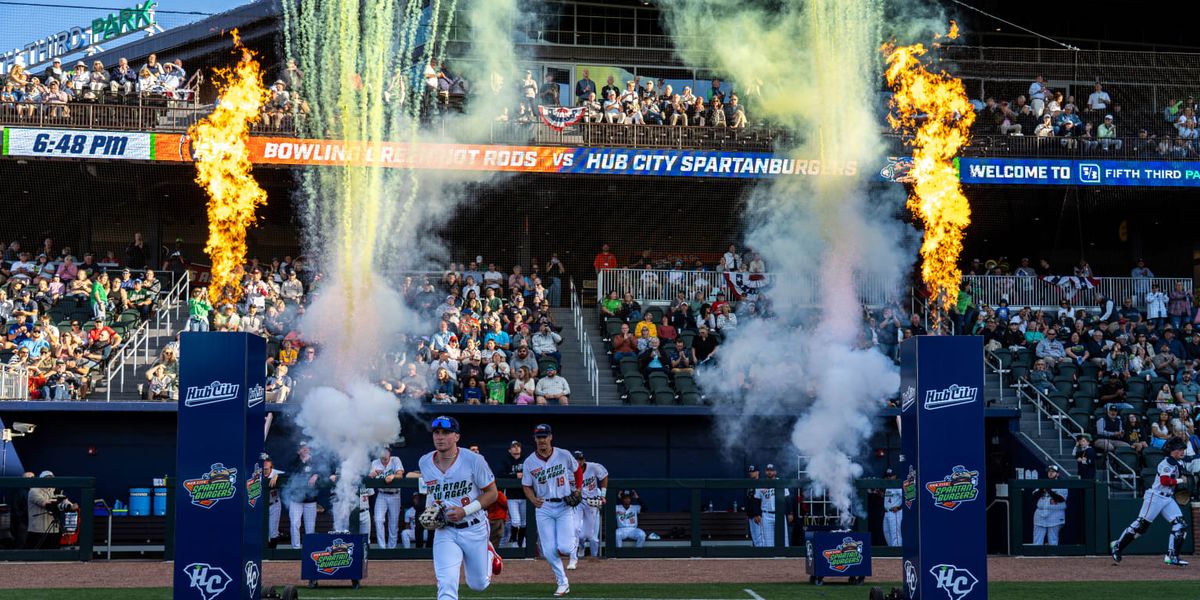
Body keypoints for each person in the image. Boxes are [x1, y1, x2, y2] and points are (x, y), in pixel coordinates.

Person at [419, 415, 503, 600]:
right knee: (447, 584)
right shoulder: (425, 462)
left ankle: (489, 553)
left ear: (457, 436)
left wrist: (465, 511)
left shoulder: (474, 460)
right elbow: (432, 491)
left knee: (478, 585)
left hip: (474, 527)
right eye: (436, 432)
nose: (440, 437)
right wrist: (430, 509)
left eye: (446, 432)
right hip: (445, 531)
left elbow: (492, 493)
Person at [1111, 437, 1197, 566]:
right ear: (1172, 451)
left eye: (1182, 449)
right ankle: (1118, 546)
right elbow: (1164, 481)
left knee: (1180, 524)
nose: (1182, 451)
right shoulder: (1165, 463)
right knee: (1141, 526)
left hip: (1168, 498)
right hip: (1156, 497)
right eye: (1179, 449)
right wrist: (1180, 481)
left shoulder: (1178, 462)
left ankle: (1172, 555)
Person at [521, 423, 580, 597]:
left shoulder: (563, 454)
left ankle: (574, 546)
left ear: (551, 437)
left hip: (564, 505)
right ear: (535, 439)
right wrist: (532, 499)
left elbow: (577, 471)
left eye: (544, 436)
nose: (542, 440)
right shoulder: (529, 461)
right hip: (544, 507)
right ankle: (562, 582)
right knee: (548, 550)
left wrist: (578, 489)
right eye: (539, 437)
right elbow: (526, 485)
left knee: (565, 547)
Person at [570, 450, 609, 566]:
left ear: (584, 460)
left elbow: (604, 476)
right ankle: (574, 556)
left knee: (587, 534)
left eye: (580, 459)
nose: (578, 462)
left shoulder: (593, 467)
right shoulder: (567, 471)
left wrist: (602, 495)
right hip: (578, 502)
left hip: (591, 502)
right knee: (575, 528)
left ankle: (582, 546)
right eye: (576, 460)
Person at [26, 471, 78, 549]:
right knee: (36, 555)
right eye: (47, 478)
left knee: (53, 553)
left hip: (54, 530)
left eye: (52, 478)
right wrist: (61, 503)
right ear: (41, 479)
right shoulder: (34, 491)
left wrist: (71, 506)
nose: (50, 481)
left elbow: (66, 503)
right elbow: (46, 504)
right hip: (37, 530)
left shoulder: (55, 490)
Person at [370, 447, 405, 549]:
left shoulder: (395, 460)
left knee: (393, 523)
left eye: (386, 451)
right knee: (378, 520)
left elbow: (400, 474)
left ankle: (391, 549)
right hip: (381, 494)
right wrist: (372, 474)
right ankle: (382, 548)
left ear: (389, 452)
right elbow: (370, 477)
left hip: (395, 495)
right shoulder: (375, 463)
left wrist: (393, 476)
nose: (384, 453)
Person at [287, 441, 320, 549]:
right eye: (302, 447)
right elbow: (291, 474)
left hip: (310, 500)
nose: (305, 449)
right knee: (294, 524)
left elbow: (325, 472)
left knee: (310, 527)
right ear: (298, 451)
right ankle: (295, 548)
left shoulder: (315, 462)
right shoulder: (293, 462)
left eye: (307, 447)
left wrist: (316, 475)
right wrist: (304, 463)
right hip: (296, 500)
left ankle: (309, 548)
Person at [754, 463, 792, 546]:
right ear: (765, 472)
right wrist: (756, 514)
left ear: (775, 472)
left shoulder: (781, 482)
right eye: (768, 470)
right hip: (766, 514)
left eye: (771, 470)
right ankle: (770, 558)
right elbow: (756, 500)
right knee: (768, 540)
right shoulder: (761, 483)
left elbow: (787, 499)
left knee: (784, 538)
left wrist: (789, 513)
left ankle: (784, 557)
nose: (769, 472)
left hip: (780, 514)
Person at [1031, 465, 1068, 546]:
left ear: (1057, 474)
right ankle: (1036, 557)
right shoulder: (1043, 483)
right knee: (1037, 540)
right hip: (1040, 514)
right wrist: (1042, 489)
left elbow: (1060, 499)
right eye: (1049, 472)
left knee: (1053, 540)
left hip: (1055, 514)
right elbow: (1034, 495)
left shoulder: (1062, 484)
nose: (1050, 473)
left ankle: (1053, 557)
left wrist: (1049, 490)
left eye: (1053, 472)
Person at [501, 440, 527, 547]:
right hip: (512, 496)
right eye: (513, 446)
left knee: (524, 522)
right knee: (515, 522)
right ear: (509, 450)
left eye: (518, 446)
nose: (516, 448)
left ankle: (522, 544)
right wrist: (515, 476)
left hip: (525, 496)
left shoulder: (526, 461)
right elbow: (500, 475)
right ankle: (514, 542)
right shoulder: (506, 461)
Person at [262, 455, 284, 545]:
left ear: (271, 468)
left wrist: (276, 476)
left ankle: (271, 553)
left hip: (274, 504)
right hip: (261, 506)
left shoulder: (275, 472)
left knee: (273, 531)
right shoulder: (257, 473)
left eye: (266, 469)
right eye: (263, 468)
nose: (264, 471)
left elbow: (286, 473)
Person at [882, 468, 902, 547]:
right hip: (887, 512)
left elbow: (907, 498)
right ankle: (892, 554)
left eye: (890, 476)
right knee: (886, 532)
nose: (889, 478)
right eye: (887, 476)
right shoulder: (888, 485)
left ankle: (897, 552)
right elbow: (890, 498)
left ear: (895, 476)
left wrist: (899, 507)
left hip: (895, 513)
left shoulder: (897, 485)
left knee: (895, 534)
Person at [744, 465, 763, 546]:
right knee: (754, 536)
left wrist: (757, 514)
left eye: (753, 471)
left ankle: (762, 555)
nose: (751, 473)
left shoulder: (761, 483)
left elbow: (761, 501)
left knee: (759, 536)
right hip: (751, 514)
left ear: (757, 472)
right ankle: (758, 556)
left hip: (758, 514)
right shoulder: (750, 484)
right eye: (750, 472)